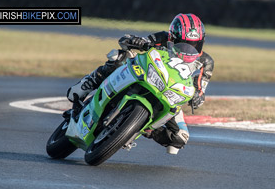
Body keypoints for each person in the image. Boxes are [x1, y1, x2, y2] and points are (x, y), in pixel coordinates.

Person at [67, 13, 214, 154]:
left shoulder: (205, 62)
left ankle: (141, 128)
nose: (189, 49)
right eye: (184, 44)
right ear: (172, 38)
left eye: (195, 44)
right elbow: (127, 40)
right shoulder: (162, 37)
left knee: (181, 137)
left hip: (171, 94)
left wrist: (198, 97)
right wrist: (138, 42)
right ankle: (90, 81)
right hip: (146, 74)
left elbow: (200, 88)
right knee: (119, 56)